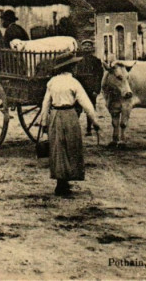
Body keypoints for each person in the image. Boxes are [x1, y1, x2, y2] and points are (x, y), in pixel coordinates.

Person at [39, 52, 100, 196]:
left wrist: (43, 122)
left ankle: (61, 182)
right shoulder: (74, 83)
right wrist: (95, 121)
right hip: (70, 116)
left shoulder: (52, 82)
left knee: (58, 148)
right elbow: (86, 103)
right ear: (71, 67)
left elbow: (45, 104)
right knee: (71, 146)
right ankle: (65, 182)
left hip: (55, 115)